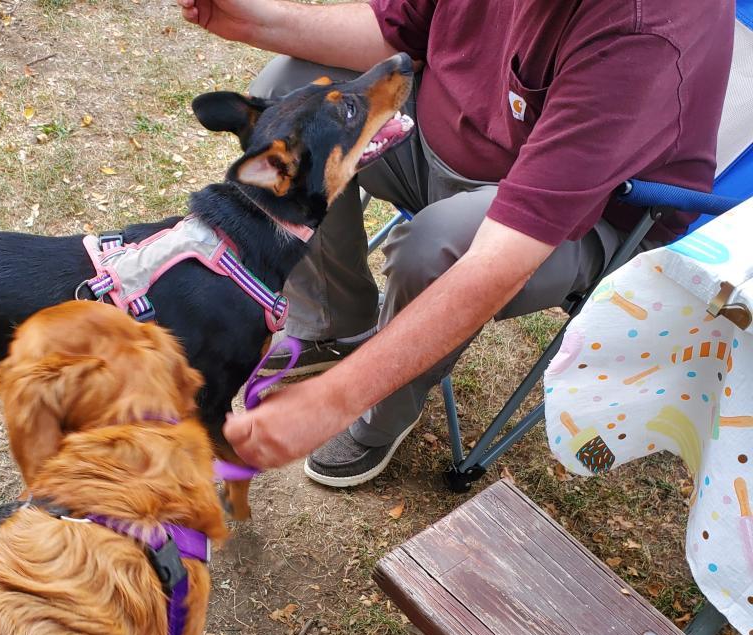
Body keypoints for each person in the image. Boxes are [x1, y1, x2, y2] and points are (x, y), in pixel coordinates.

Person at [175, 0, 734, 486]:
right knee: (283, 97)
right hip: (436, 134)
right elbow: (398, 29)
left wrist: (334, 399)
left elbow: (502, 257)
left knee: (438, 246)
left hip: (578, 217)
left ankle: (378, 413)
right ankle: (334, 321)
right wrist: (251, 19)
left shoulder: (645, 34)